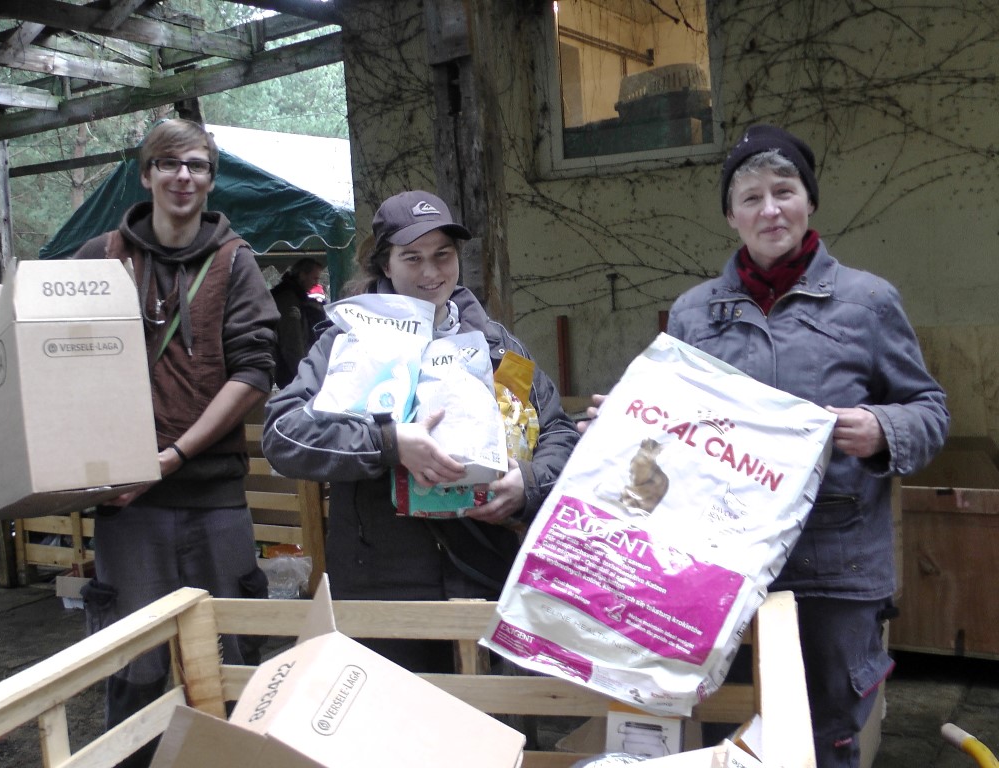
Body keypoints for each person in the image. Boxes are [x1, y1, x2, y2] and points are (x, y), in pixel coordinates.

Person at [0, 118, 279, 768]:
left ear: (210, 178)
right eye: (169, 164)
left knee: (233, 661)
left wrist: (172, 457)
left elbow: (254, 372)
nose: (183, 176)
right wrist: (2, 303)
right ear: (146, 175)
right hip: (125, 508)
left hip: (214, 500)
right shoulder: (100, 257)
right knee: (133, 667)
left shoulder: (235, 262)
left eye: (197, 165)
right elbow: (42, 328)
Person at [646, 125, 947, 768]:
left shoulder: (866, 301)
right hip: (720, 566)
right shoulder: (696, 314)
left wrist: (881, 430)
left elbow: (929, 411)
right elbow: (669, 429)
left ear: (808, 201)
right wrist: (627, 439)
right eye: (750, 197)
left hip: (834, 568)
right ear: (731, 216)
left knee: (824, 735)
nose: (769, 209)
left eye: (784, 191)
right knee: (724, 737)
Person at [262, 190, 580, 672]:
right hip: (382, 589)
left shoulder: (493, 344)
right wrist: (388, 444)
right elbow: (285, 434)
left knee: (491, 732)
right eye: (412, 258)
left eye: (442, 256)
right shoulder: (348, 342)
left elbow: (557, 430)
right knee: (395, 737)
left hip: (484, 579)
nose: (431, 273)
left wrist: (528, 484)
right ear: (385, 264)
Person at [269, 256, 327, 387]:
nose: (316, 283)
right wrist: (302, 375)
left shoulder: (296, 297)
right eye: (314, 278)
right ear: (302, 275)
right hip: (289, 372)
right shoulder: (288, 299)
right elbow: (292, 341)